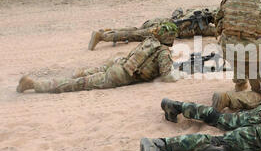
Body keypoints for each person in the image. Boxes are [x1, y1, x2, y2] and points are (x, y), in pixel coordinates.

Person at [16, 25, 181, 94]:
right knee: (77, 85)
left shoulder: (150, 41)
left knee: (85, 76)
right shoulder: (163, 52)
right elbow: (167, 77)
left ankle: (81, 73)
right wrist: (178, 75)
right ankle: (33, 84)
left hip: (119, 64)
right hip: (119, 75)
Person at [88, 7, 217, 50]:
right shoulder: (203, 27)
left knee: (135, 29)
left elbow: (178, 10)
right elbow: (217, 31)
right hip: (163, 29)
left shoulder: (196, 11)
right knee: (134, 35)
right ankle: (102, 37)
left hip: (160, 20)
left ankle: (106, 31)